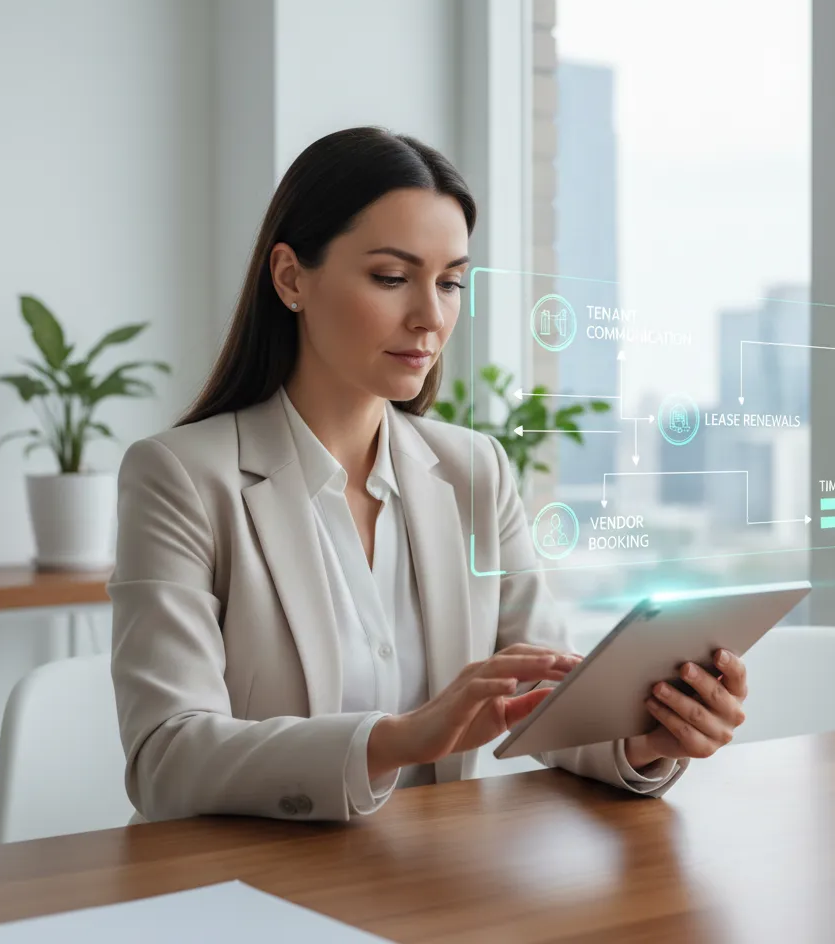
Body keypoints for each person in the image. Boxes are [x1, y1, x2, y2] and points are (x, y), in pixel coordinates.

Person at [108, 127, 748, 824]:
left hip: (434, 888)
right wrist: (398, 739)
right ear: (291, 276)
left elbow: (545, 696)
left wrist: (645, 739)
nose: (430, 317)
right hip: (248, 894)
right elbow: (165, 759)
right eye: (391, 278)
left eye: (450, 283)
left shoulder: (474, 470)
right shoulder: (179, 477)